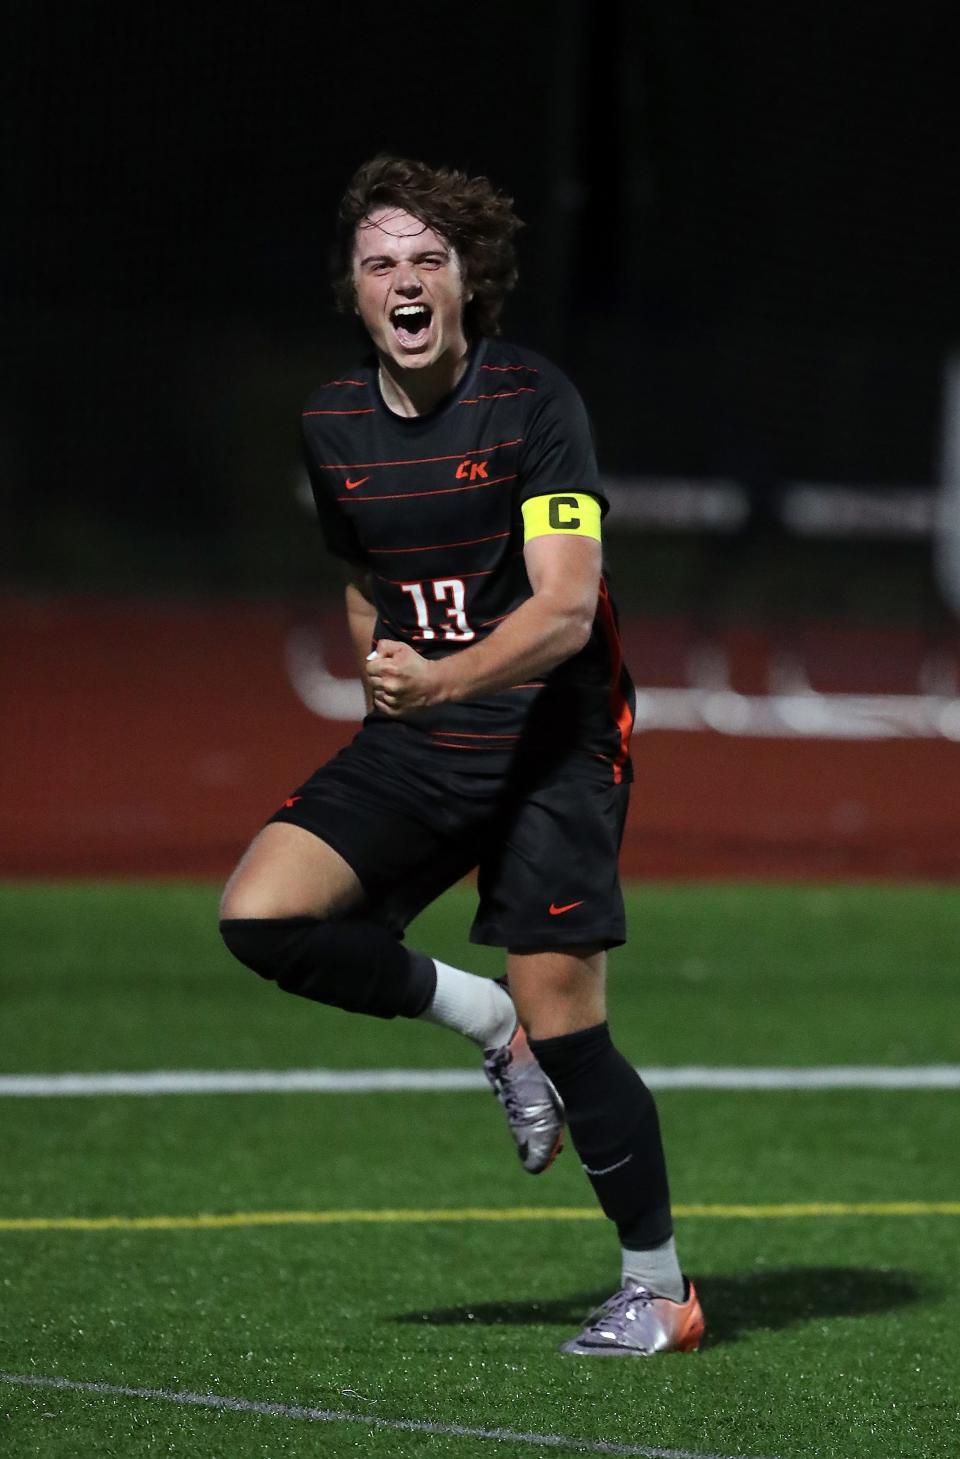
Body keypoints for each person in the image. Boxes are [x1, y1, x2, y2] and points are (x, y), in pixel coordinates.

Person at [219, 155, 704, 1357]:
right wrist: (387, 680)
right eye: (381, 261)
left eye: (427, 257)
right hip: (423, 734)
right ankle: (489, 1022)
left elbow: (564, 612)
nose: (405, 278)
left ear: (467, 279)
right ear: (355, 289)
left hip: (556, 743)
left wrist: (439, 676)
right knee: (262, 915)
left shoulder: (536, 401)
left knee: (574, 1017)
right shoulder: (331, 423)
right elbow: (362, 575)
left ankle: (661, 1291)